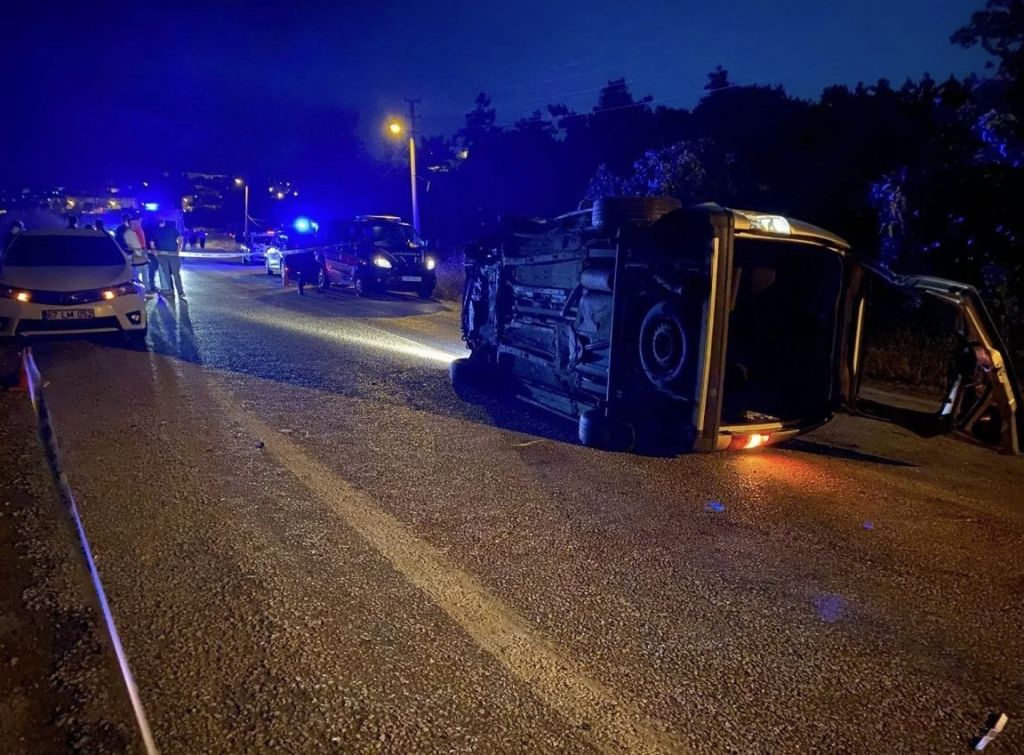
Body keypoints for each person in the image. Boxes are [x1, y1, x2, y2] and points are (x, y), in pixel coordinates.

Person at [153, 219, 185, 297]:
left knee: (175, 274)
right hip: (162, 256)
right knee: (167, 274)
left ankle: (180, 292)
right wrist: (155, 251)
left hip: (173, 255)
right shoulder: (155, 230)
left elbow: (180, 240)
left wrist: (178, 251)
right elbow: (152, 242)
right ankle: (171, 292)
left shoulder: (171, 228)